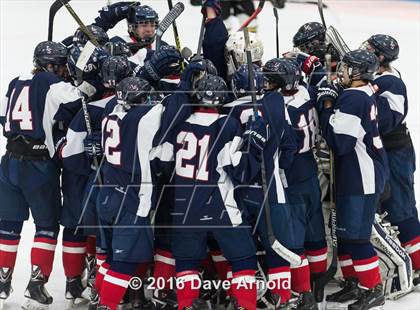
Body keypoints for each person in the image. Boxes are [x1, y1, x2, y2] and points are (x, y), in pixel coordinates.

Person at [155, 74, 268, 310]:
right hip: (220, 203)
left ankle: (186, 304)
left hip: (185, 204)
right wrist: (253, 139)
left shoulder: (180, 123)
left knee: (186, 262)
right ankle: (246, 305)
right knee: (243, 258)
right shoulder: (228, 124)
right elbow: (239, 170)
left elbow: (162, 162)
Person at [0, 41, 83, 309]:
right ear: (51, 65)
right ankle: (36, 285)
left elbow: (3, 118)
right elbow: (80, 100)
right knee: (46, 226)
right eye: (61, 66)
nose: (64, 71)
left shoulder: (15, 81)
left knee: (8, 225)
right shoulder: (51, 81)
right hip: (37, 165)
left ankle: (2, 282)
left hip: (9, 162)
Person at [316, 49, 387, 310]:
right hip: (357, 174)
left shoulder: (353, 98)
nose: (340, 72)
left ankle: (373, 288)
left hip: (361, 178)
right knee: (345, 235)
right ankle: (354, 283)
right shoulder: (361, 92)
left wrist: (326, 107)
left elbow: (340, 143)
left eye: (345, 68)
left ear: (357, 73)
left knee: (356, 238)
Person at [362, 34, 420, 285]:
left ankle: (417, 265)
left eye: (369, 48)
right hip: (386, 151)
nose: (363, 49)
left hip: (396, 153)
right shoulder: (374, 77)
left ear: (381, 57)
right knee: (388, 204)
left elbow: (387, 120)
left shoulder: (391, 83)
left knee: (401, 206)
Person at [93, 2, 160, 66]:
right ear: (132, 27)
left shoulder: (161, 45)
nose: (149, 30)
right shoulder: (117, 42)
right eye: (144, 25)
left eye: (152, 25)